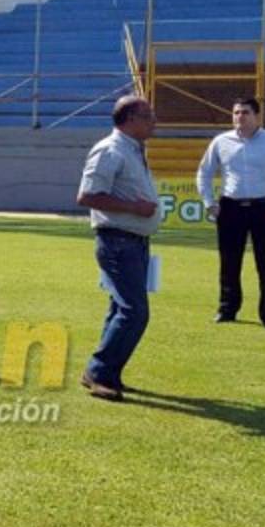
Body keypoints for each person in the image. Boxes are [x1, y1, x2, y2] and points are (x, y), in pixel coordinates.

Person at [76, 95, 161, 401]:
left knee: (120, 309)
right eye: (148, 116)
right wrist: (134, 208)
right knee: (134, 312)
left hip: (134, 241)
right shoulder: (109, 150)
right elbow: (87, 196)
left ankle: (106, 372)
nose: (154, 121)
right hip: (117, 241)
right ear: (129, 120)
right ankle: (98, 371)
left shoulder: (133, 151)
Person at [196, 97, 265, 329]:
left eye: (245, 112)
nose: (239, 117)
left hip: (263, 207)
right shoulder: (221, 142)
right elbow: (204, 173)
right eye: (236, 113)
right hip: (230, 207)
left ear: (257, 116)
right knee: (229, 263)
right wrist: (209, 202)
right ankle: (227, 309)